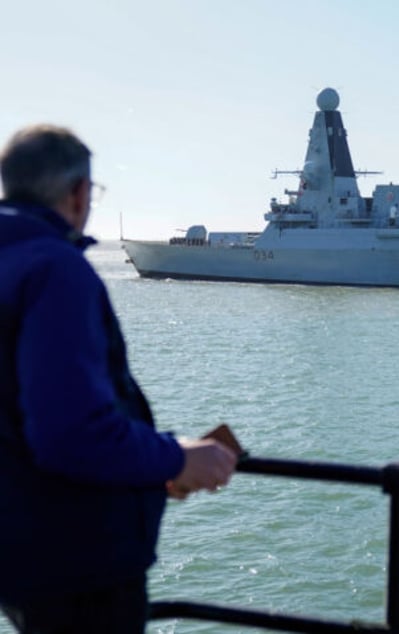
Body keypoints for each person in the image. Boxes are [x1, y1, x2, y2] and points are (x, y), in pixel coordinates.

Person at [0, 124, 238, 633]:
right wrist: (177, 457)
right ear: (79, 192)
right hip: (79, 565)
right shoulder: (56, 269)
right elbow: (70, 433)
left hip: (21, 554)